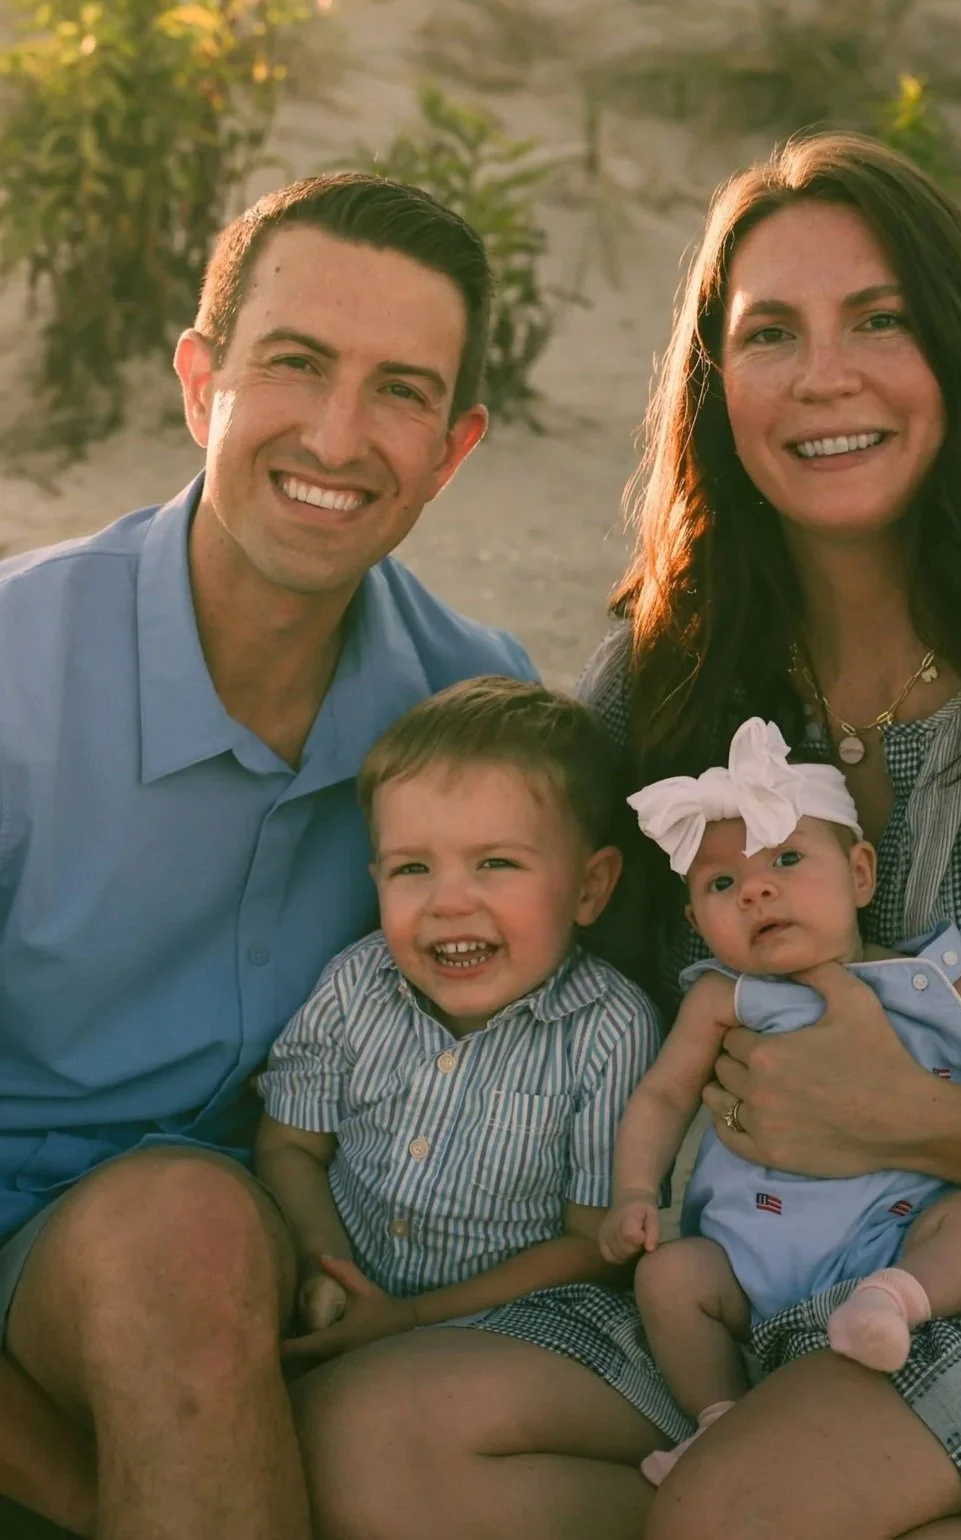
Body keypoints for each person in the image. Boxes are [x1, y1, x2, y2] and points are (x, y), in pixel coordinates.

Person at [293, 130, 961, 1540]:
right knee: (376, 1443)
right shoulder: (672, 679)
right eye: (770, 335)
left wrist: (920, 1120)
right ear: (716, 387)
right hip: (747, 1277)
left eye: (881, 322)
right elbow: (544, 973)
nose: (824, 377)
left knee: (742, 1514)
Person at [0, 172, 537, 1539]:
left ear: (456, 445)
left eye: (401, 391)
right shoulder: (13, 678)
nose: (338, 435)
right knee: (183, 1228)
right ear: (200, 383)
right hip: (48, 1263)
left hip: (309, 1274)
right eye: (294, 365)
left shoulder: (477, 714)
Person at [600, 715, 961, 1485]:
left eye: (789, 858)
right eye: (722, 883)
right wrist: (636, 1189)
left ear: (861, 873)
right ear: (695, 921)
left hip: (893, 1240)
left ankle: (891, 1303)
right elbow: (663, 1094)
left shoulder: (928, 983)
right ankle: (720, 1418)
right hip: (746, 1261)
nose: (757, 889)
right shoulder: (723, 998)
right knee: (668, 1278)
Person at [253, 677, 659, 1362]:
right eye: (413, 868)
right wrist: (329, 1272)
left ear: (589, 888)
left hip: (512, 1337)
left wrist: (411, 1318)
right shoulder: (357, 986)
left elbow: (594, 1244)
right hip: (342, 1299)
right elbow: (290, 1146)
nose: (448, 903)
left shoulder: (609, 1030)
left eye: (495, 863)